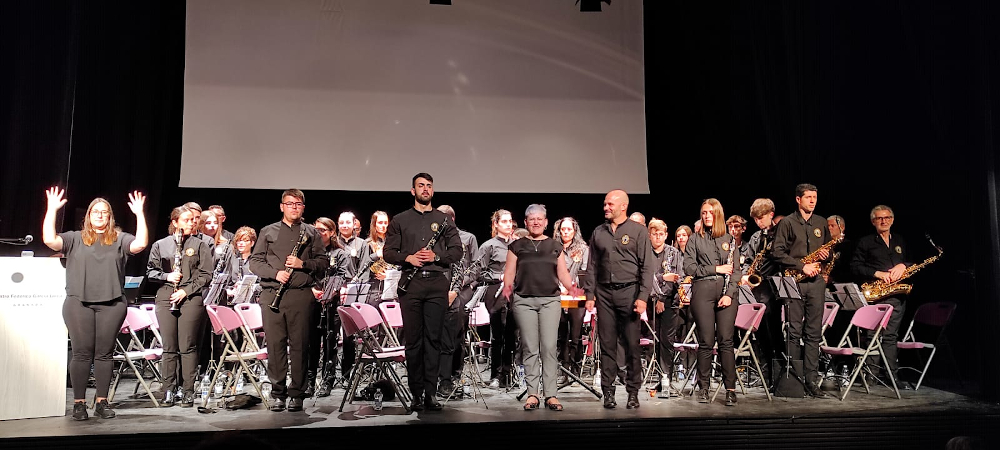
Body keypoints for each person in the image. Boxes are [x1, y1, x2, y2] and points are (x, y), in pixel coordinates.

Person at [42, 187, 148, 420]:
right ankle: (79, 403)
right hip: (79, 303)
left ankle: (102, 401)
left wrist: (140, 213)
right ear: (88, 216)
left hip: (112, 304)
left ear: (110, 217)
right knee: (81, 353)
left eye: (105, 213)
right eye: (95, 212)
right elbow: (50, 240)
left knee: (104, 354)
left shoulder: (120, 239)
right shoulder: (74, 238)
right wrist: (52, 209)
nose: (100, 216)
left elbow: (140, 244)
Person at [383, 173, 463, 411]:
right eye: (421, 186)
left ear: (433, 190)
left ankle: (431, 393)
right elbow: (388, 252)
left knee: (434, 340)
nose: (425, 189)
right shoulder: (400, 219)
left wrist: (436, 256)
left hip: (437, 283)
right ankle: (416, 393)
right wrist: (407, 257)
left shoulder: (445, 219)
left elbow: (457, 252)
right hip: (411, 284)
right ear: (413, 191)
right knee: (414, 341)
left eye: (429, 186)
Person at [250, 189, 329, 412]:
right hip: (272, 294)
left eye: (298, 204)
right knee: (275, 347)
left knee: (300, 346)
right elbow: (254, 262)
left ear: (303, 207)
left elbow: (323, 263)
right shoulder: (268, 231)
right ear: (281, 206)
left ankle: (297, 394)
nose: (294, 207)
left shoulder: (312, 233)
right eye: (290, 203)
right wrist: (275, 273)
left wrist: (301, 264)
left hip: (301, 296)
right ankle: (278, 394)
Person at [502, 204, 579, 411]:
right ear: (526, 222)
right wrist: (507, 288)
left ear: (545, 222)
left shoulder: (555, 246)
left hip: (550, 301)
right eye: (531, 219)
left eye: (540, 219)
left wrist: (571, 287)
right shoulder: (517, 246)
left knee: (548, 348)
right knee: (530, 348)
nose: (536, 222)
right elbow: (509, 272)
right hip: (524, 301)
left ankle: (551, 394)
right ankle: (533, 394)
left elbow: (562, 273)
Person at [583, 190, 654, 410]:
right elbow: (592, 266)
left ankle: (633, 392)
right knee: (607, 346)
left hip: (629, 293)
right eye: (604, 204)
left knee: (632, 345)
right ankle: (608, 393)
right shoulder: (598, 232)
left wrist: (643, 297)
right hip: (604, 294)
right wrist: (589, 295)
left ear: (623, 206)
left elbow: (647, 267)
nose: (606, 207)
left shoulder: (638, 232)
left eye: (610, 204)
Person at [146, 205, 213, 407]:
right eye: (186, 220)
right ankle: (168, 390)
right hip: (166, 295)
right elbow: (151, 271)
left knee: (188, 346)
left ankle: (188, 390)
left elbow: (206, 275)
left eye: (193, 220)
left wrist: (186, 290)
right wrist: (167, 276)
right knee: (169, 347)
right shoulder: (161, 244)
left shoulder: (200, 245)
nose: (191, 223)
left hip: (190, 297)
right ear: (175, 222)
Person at [772, 183, 832, 399]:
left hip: (816, 283)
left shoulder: (821, 222)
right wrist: (800, 266)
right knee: (794, 331)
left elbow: (829, 250)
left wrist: (827, 256)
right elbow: (776, 252)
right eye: (808, 197)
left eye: (815, 197)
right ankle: (793, 379)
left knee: (814, 333)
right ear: (798, 199)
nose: (813, 201)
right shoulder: (787, 222)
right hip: (795, 282)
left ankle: (811, 380)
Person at [683, 198, 741, 406]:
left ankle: (731, 390)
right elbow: (689, 268)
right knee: (706, 342)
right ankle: (704, 387)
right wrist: (714, 269)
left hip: (726, 294)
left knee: (726, 341)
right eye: (704, 212)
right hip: (703, 290)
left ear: (718, 214)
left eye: (710, 212)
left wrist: (729, 294)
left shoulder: (729, 238)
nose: (706, 215)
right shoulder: (695, 239)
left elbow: (736, 272)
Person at [849, 205, 910, 382]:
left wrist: (902, 265)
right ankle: (871, 376)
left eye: (887, 217)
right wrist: (879, 274)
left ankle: (891, 376)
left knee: (891, 336)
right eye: (879, 218)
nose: (884, 221)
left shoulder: (900, 240)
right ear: (873, 221)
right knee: (872, 336)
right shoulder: (865, 242)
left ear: (892, 219)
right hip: (876, 295)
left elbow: (911, 260)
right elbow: (855, 266)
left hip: (896, 295)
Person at [435, 205, 479, 397]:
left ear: (451, 219)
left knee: (455, 335)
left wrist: (455, 289)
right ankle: (438, 376)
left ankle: (453, 374)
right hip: (439, 290)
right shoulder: (433, 239)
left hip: (461, 290)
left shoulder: (467, 238)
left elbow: (474, 268)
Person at [475, 209, 517, 388]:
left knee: (512, 335)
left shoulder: (517, 245)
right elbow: (479, 272)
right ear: (496, 224)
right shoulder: (488, 246)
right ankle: (496, 375)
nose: (508, 224)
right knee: (498, 335)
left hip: (514, 292)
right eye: (504, 221)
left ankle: (508, 374)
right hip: (496, 292)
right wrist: (498, 276)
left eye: (510, 221)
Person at [311, 217, 353, 397]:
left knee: (330, 343)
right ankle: (309, 382)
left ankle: (327, 381)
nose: (319, 234)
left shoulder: (340, 253)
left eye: (323, 230)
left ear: (331, 232)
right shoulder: (311, 252)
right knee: (312, 343)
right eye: (317, 230)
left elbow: (345, 277)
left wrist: (334, 291)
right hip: (312, 301)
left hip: (332, 304)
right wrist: (313, 289)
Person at [646, 218, 684, 395]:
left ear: (666, 235)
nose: (658, 237)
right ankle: (655, 374)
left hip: (670, 302)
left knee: (667, 340)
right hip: (649, 301)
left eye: (661, 234)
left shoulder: (673, 253)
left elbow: (676, 277)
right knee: (654, 339)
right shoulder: (645, 252)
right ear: (650, 235)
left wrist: (662, 297)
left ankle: (665, 376)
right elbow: (648, 276)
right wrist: (657, 295)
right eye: (654, 234)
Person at [553, 216, 589, 378]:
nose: (566, 232)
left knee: (575, 333)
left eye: (569, 229)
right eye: (563, 229)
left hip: (576, 295)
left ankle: (575, 367)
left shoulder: (582, 248)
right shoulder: (553, 248)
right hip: (557, 295)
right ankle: (564, 367)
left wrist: (570, 287)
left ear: (575, 231)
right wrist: (559, 288)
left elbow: (584, 272)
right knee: (561, 333)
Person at [357, 211, 392, 304]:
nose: (383, 226)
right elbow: (363, 265)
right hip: (373, 288)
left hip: (389, 286)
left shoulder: (392, 242)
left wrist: (388, 275)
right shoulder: (367, 243)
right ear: (374, 224)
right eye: (380, 223)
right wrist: (377, 255)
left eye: (385, 223)